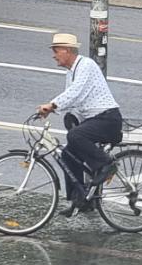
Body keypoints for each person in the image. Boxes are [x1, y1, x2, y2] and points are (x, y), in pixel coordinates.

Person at [36, 32, 123, 216]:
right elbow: (75, 100)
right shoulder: (71, 72)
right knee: (67, 155)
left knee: (75, 136)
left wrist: (51, 105)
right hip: (94, 120)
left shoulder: (86, 65)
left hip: (108, 119)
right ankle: (80, 199)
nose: (54, 55)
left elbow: (76, 92)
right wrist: (59, 112)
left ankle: (107, 163)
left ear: (67, 51)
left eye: (56, 50)